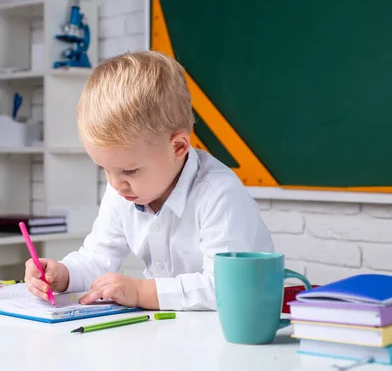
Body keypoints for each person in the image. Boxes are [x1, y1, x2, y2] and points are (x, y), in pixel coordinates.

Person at [24, 50, 274, 310]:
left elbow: (224, 287)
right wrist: (63, 275)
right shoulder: (123, 190)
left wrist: (141, 291)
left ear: (178, 147)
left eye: (130, 171)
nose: (116, 183)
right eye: (104, 169)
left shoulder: (219, 194)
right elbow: (98, 258)